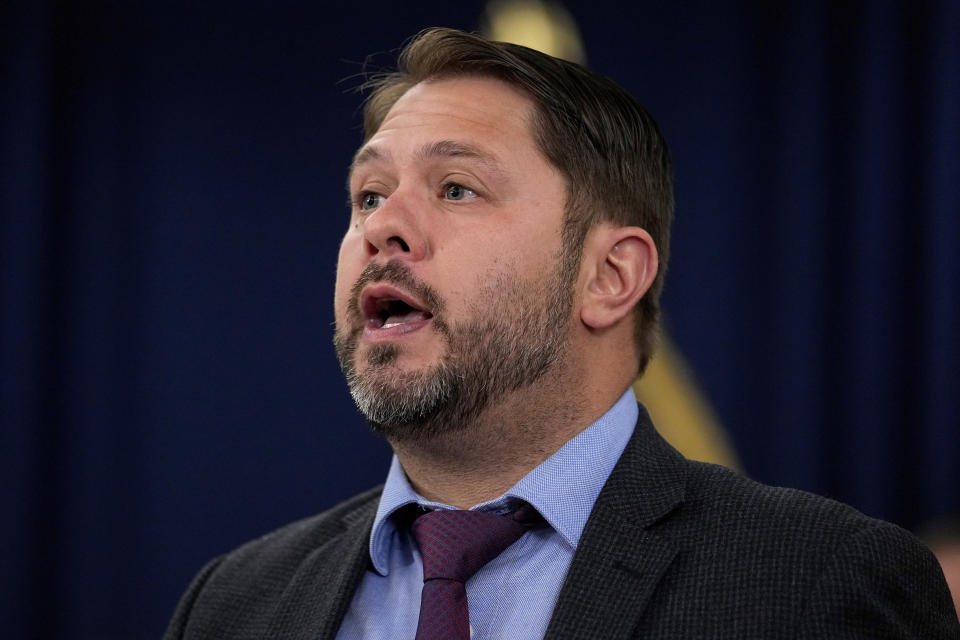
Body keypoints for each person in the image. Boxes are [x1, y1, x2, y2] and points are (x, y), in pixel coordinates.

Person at [163, 27, 960, 639]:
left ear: (610, 277)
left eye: (456, 187)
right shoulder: (236, 603)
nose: (384, 228)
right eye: (369, 195)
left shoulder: (816, 585)